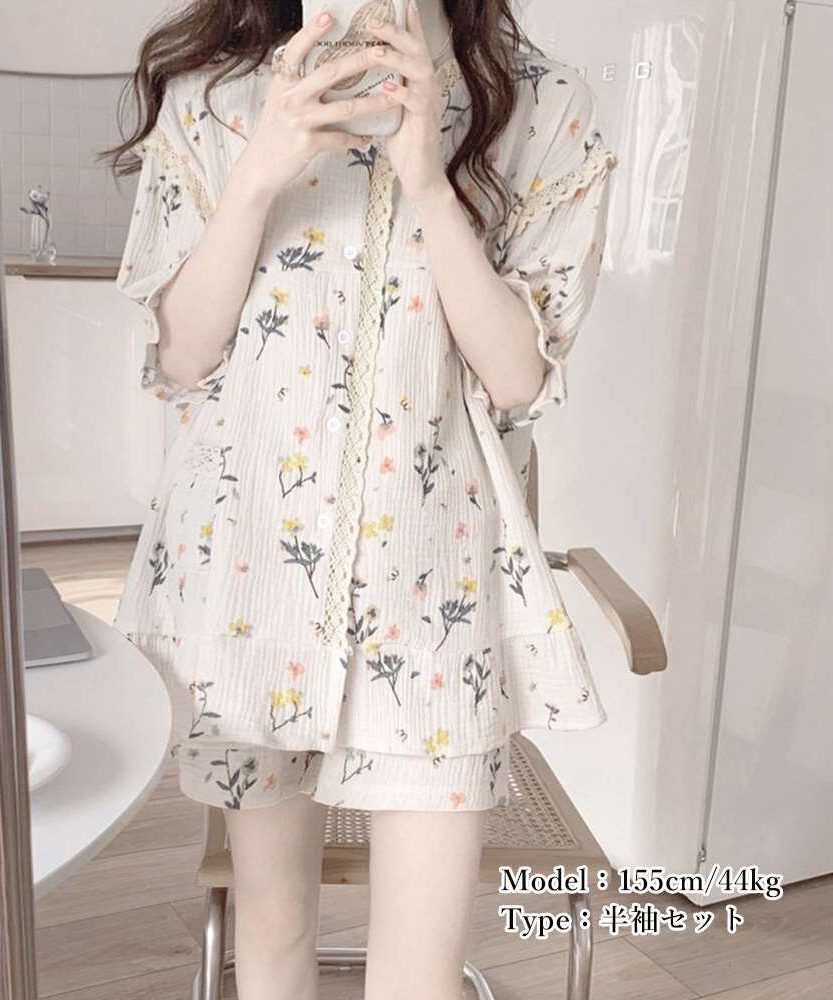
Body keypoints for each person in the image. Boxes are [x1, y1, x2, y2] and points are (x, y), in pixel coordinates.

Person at [103, 1, 618, 996]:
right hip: (250, 575)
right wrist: (261, 168)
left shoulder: (542, 105)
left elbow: (519, 378)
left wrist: (427, 177)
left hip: (435, 595)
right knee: (273, 931)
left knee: (419, 972)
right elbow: (185, 357)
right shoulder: (213, 95)